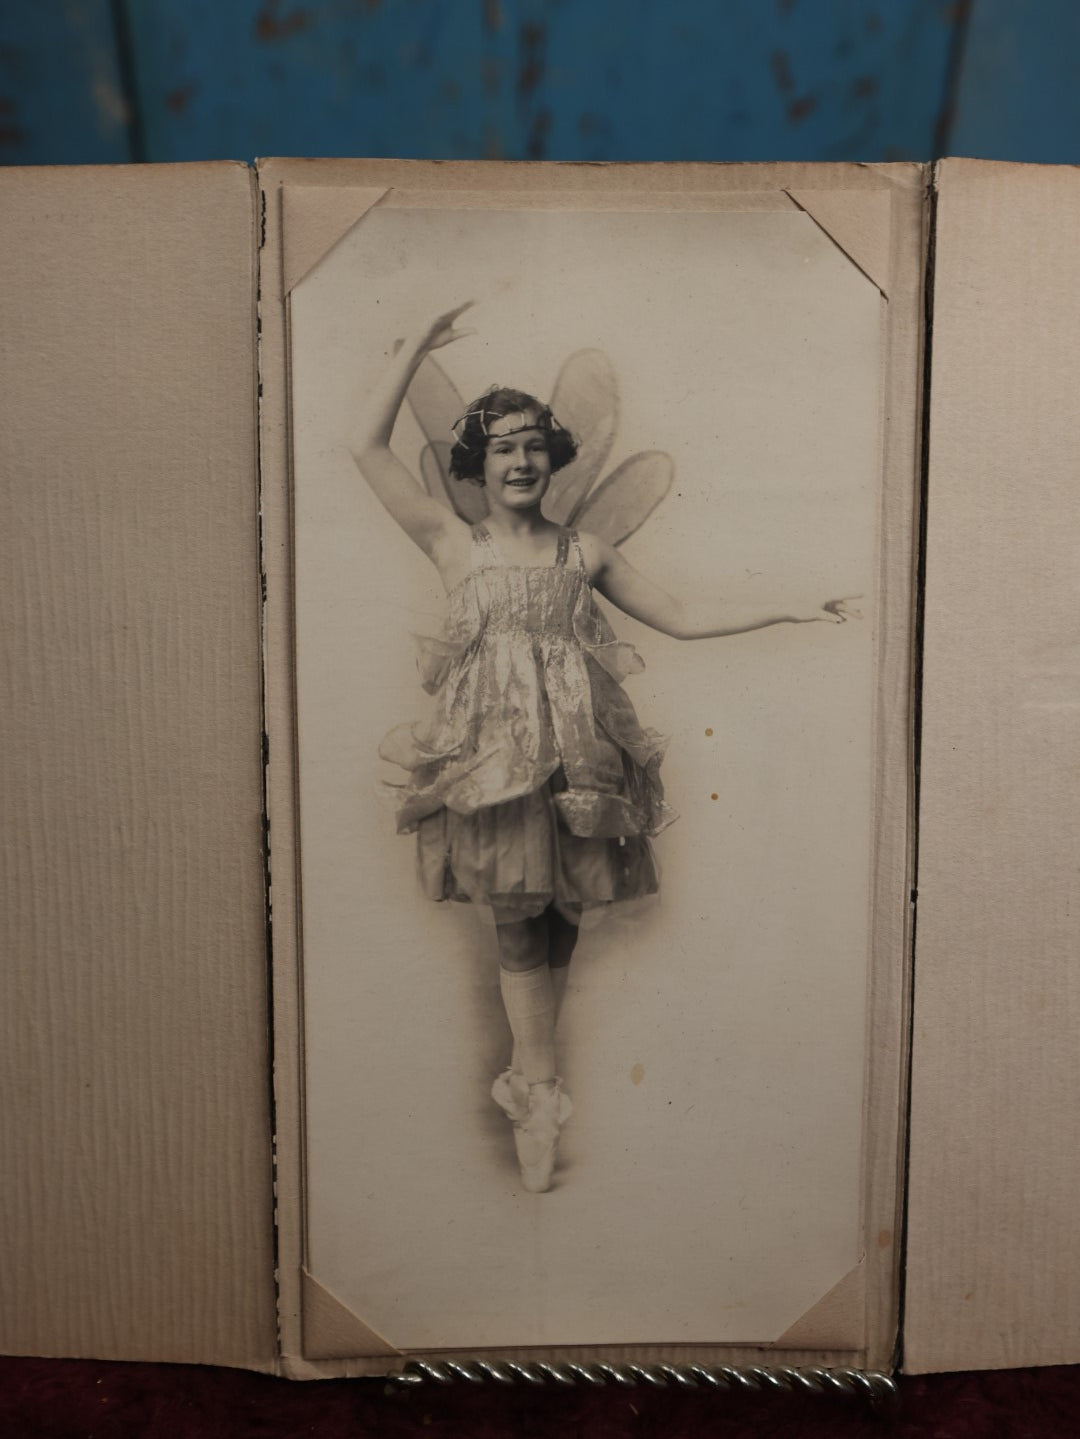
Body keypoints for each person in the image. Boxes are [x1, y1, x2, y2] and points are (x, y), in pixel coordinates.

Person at [351, 303, 855, 1194]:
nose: (519, 460)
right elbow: (367, 449)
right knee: (516, 924)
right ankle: (538, 1097)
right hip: (493, 768)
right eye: (501, 446)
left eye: (534, 444)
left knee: (566, 919)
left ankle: (528, 1079)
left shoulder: (586, 549)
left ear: (554, 457)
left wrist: (788, 606)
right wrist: (418, 351)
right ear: (478, 461)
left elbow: (685, 616)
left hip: (580, 763)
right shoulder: (450, 542)